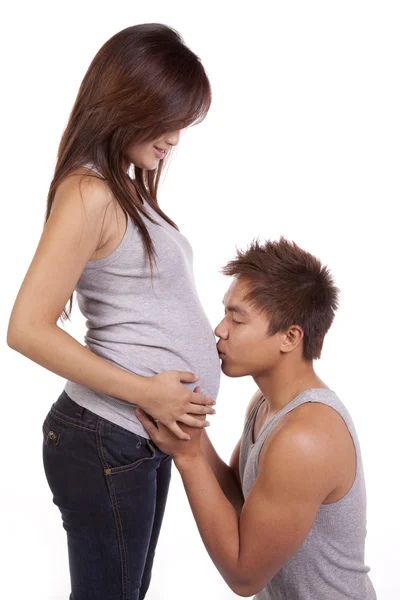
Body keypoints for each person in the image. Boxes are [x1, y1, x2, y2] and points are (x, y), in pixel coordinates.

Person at [6, 24, 219, 600]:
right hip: (106, 434)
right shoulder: (89, 192)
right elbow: (25, 329)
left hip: (134, 437)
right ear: (130, 101)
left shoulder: (124, 187)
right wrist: (147, 391)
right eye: (170, 118)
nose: (175, 137)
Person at [137, 237, 377, 599]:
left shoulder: (306, 437)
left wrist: (187, 457)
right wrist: (192, 434)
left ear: (290, 337)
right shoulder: (264, 405)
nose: (220, 329)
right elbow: (240, 500)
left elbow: (244, 577)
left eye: (237, 318)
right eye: (225, 313)